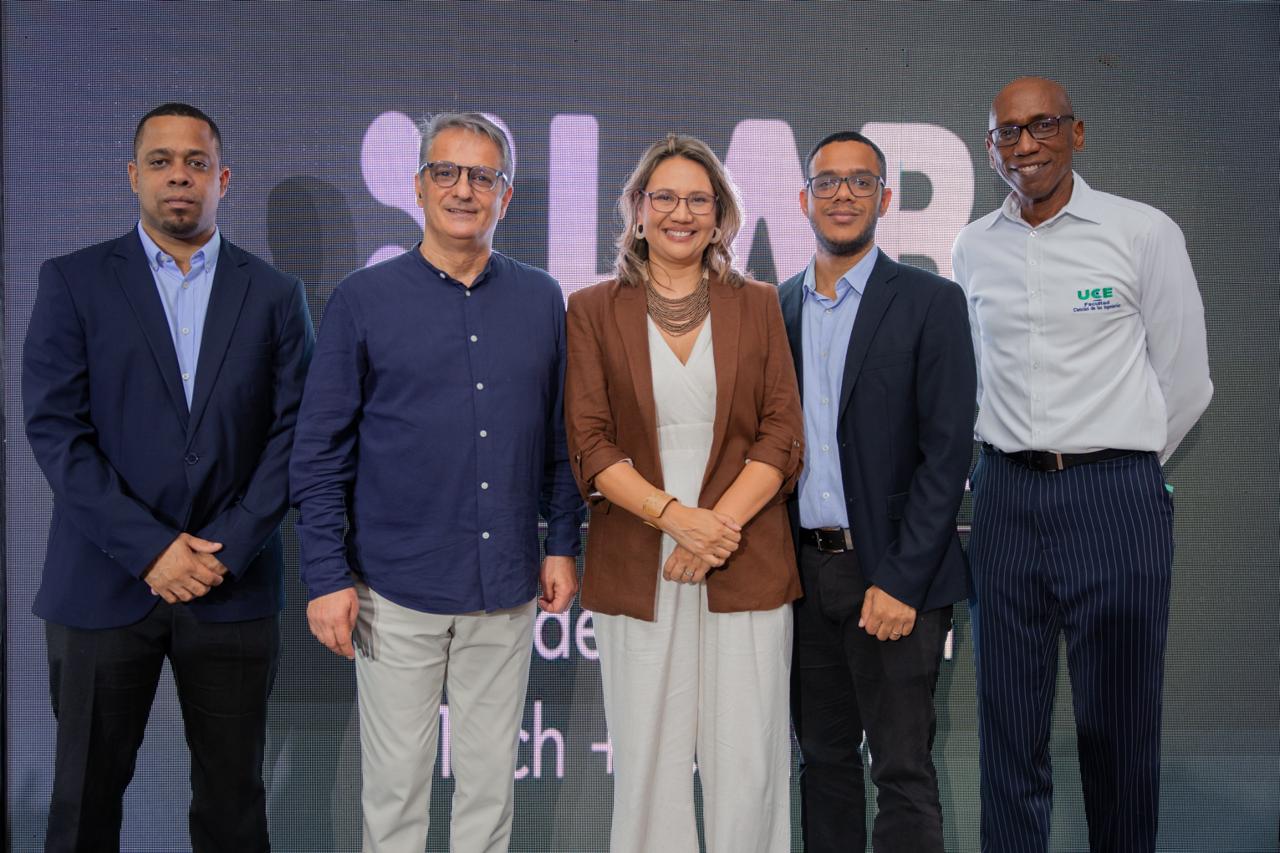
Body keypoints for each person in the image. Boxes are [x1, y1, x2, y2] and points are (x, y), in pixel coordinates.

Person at [22, 102, 314, 852]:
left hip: (232, 586)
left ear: (223, 179)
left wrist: (227, 548)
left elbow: (296, 433)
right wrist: (151, 549)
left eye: (195, 162)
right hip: (101, 583)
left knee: (234, 803)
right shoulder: (74, 282)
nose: (178, 175)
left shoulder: (275, 294)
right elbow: (57, 430)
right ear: (133, 175)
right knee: (83, 802)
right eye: (160, 161)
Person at [290, 112, 583, 853]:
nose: (463, 190)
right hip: (395, 589)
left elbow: (561, 440)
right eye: (445, 172)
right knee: (395, 795)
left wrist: (562, 543)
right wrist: (325, 574)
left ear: (505, 195)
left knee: (490, 792)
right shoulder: (363, 299)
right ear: (418, 186)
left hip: (504, 585)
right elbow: (319, 453)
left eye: (482, 176)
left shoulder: (543, 298)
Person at [951, 77, 1213, 853]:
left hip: (1116, 499)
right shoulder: (972, 246)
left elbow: (1187, 382)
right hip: (1004, 497)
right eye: (1008, 132)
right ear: (990, 147)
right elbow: (974, 376)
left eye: (1044, 125)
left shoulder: (1142, 232)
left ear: (1078, 132)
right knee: (1009, 728)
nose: (1026, 144)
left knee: (1120, 729)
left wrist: (1122, 466)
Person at [564, 134, 804, 853]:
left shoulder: (759, 303)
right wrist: (677, 521)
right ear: (637, 210)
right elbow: (591, 443)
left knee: (749, 761)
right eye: (664, 196)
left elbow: (782, 433)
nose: (681, 212)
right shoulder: (591, 308)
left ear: (721, 215)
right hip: (640, 558)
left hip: (744, 554)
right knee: (647, 761)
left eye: (699, 199)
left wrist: (712, 531)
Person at [778, 131, 976, 852]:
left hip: (894, 572)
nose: (843, 195)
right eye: (827, 182)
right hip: (804, 576)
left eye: (861, 182)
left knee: (901, 769)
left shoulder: (931, 301)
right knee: (823, 763)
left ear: (886, 198)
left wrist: (900, 579)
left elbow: (947, 453)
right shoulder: (776, 307)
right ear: (803, 198)